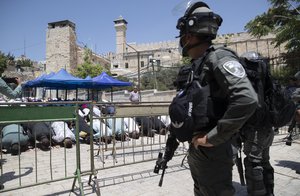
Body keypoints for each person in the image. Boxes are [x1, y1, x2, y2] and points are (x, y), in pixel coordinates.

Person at [167, 1, 258, 195]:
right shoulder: (199, 65)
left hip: (214, 149)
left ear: (189, 36)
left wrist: (212, 137)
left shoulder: (219, 58)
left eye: (183, 35)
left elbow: (247, 99)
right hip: (202, 149)